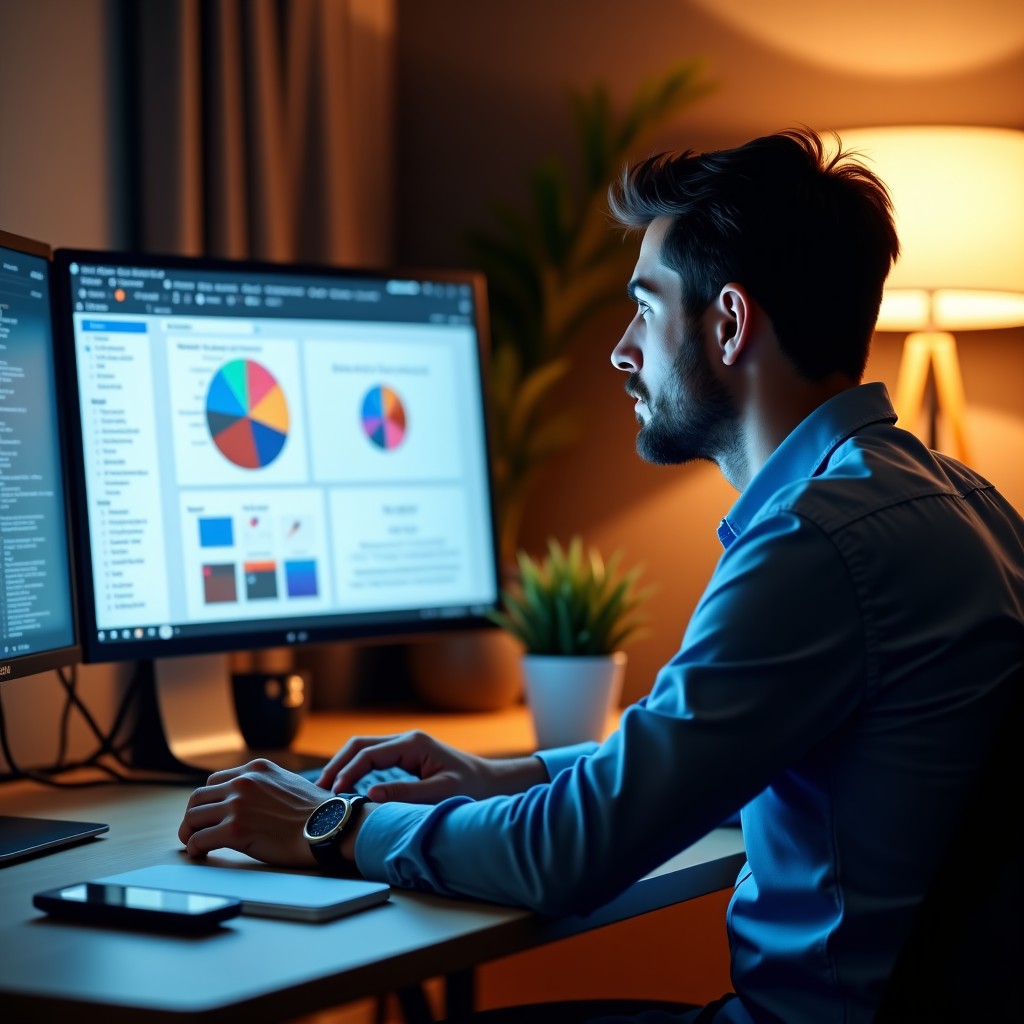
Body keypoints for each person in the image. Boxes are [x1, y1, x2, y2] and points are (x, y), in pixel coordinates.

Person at [178, 129, 1024, 1023]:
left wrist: (329, 825)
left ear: (729, 323)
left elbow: (571, 854)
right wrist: (506, 775)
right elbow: (712, 755)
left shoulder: (815, 547)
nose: (623, 351)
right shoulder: (961, 500)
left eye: (646, 308)